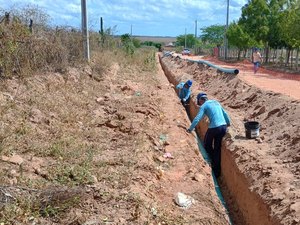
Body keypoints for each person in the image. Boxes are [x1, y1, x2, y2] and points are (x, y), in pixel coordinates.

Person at [187, 93, 230, 178]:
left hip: (214, 128)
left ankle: (210, 161)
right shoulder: (216, 102)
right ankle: (217, 172)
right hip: (223, 127)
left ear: (200, 100)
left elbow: (197, 118)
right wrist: (228, 123)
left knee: (206, 144)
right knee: (217, 149)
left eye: (199, 102)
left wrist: (190, 129)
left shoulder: (204, 106)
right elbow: (225, 114)